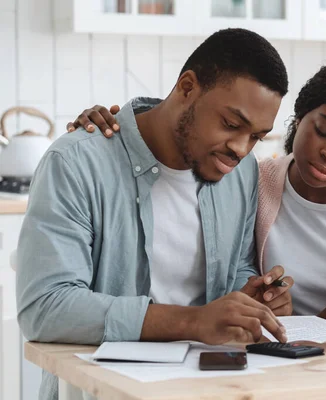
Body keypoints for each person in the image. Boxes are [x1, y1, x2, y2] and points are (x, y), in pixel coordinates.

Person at [70, 60, 326, 325]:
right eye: (323, 131)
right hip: (277, 359)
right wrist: (120, 123)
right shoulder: (250, 179)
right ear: (300, 117)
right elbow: (188, 128)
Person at [17, 28, 293, 400]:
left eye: (256, 136)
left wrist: (252, 299)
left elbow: (236, 266)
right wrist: (193, 322)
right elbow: (45, 308)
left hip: (215, 385)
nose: (242, 149)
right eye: (231, 124)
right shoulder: (76, 162)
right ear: (187, 87)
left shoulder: (240, 172)